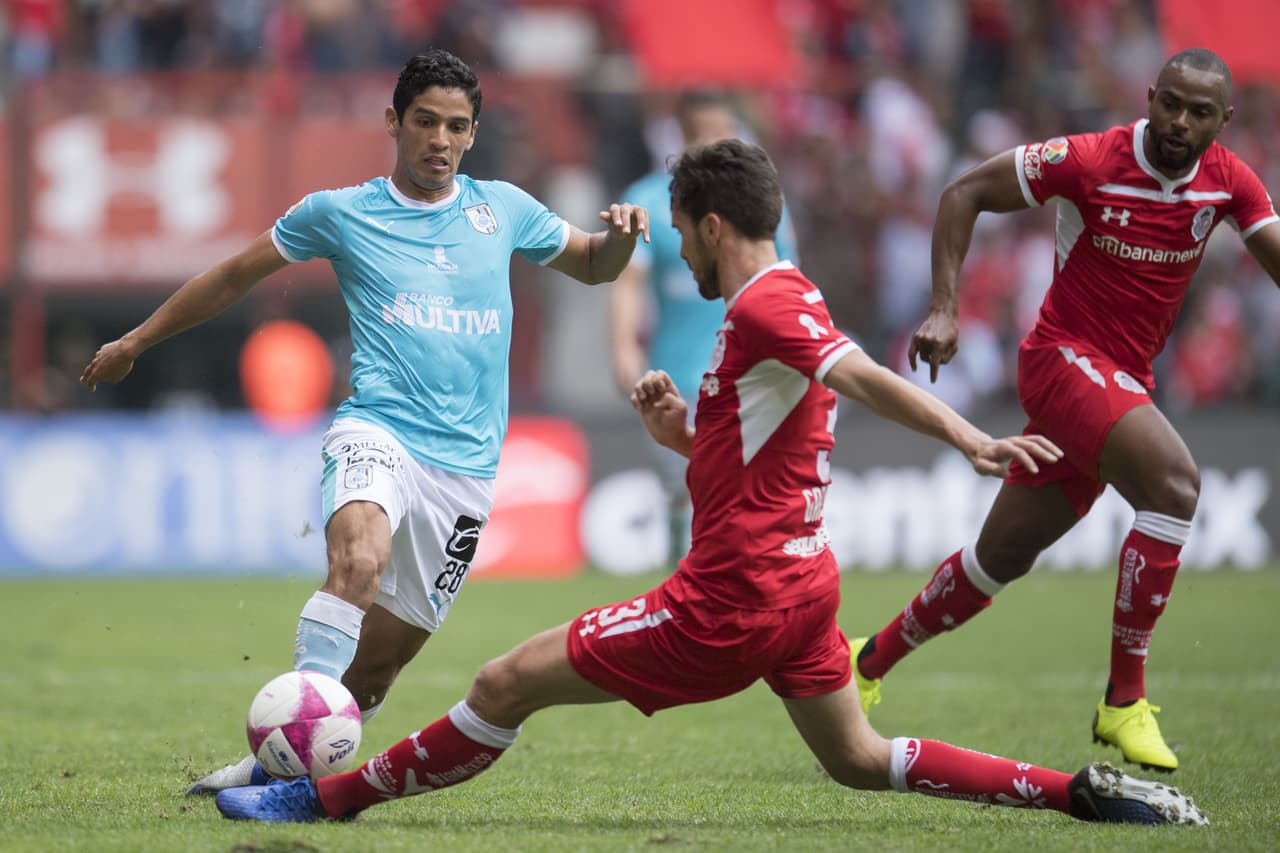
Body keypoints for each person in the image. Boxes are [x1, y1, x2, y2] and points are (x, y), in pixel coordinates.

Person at [213, 139, 1206, 827]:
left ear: (711, 223)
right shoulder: (777, 304)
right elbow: (762, 457)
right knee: (860, 758)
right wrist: (684, 435)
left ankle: (321, 797)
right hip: (801, 589)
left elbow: (860, 373)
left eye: (681, 231)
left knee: (503, 683)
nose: (677, 250)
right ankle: (1075, 793)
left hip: (727, 602)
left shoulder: (771, 305)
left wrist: (968, 438)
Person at [78, 48, 650, 793]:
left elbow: (594, 263)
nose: (440, 140)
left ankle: (267, 768)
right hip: (378, 430)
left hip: (466, 470)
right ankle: (289, 764)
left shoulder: (504, 208)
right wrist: (135, 341)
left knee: (378, 669)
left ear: (473, 134)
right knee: (357, 564)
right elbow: (234, 275)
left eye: (456, 126)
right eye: (425, 122)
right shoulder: (340, 213)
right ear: (393, 122)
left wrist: (622, 238)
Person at [848, 48, 1280, 773]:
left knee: (997, 560)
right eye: (1170, 103)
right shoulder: (1088, 160)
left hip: (1119, 384)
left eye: (1199, 112)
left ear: (1223, 121)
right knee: (1175, 486)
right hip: (1062, 359)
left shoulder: (1228, 181)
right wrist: (946, 309)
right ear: (1150, 97)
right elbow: (962, 192)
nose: (1180, 121)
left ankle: (865, 661)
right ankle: (1124, 701)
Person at [609, 90, 800, 566]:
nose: (710, 142)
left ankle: (732, 590)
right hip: (677, 379)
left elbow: (786, 282)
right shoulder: (648, 200)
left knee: (743, 500)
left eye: (719, 131)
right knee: (687, 493)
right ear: (681, 135)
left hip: (748, 374)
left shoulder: (760, 202)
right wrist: (624, 350)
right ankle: (686, 589)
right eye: (700, 132)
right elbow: (628, 282)